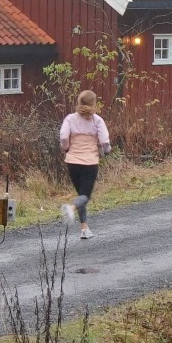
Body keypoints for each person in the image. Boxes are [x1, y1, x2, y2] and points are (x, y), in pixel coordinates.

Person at [59, 90, 111, 239]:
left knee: (81, 194)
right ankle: (71, 207)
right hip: (89, 162)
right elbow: (105, 142)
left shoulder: (70, 119)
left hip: (72, 162)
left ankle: (84, 229)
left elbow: (63, 137)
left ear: (79, 102)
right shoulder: (97, 121)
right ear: (93, 104)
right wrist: (106, 151)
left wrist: (67, 148)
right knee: (85, 196)